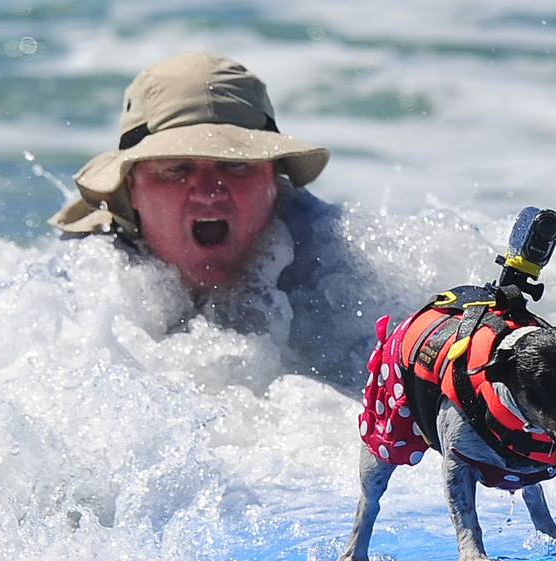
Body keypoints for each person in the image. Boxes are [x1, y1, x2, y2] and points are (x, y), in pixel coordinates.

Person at [49, 51, 407, 393]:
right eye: (177, 168)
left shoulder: (330, 251)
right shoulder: (86, 276)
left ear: (273, 180)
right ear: (132, 188)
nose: (208, 192)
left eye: (236, 165)